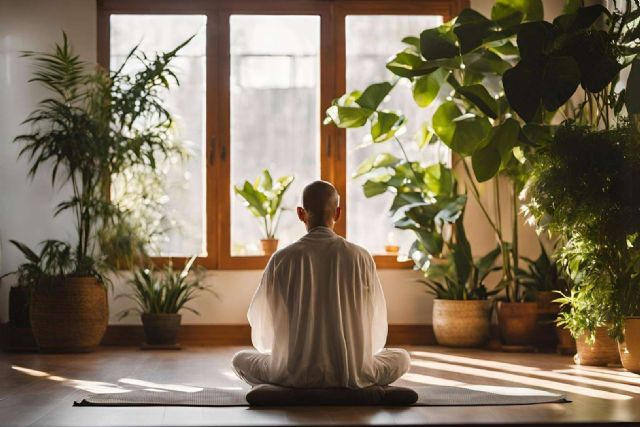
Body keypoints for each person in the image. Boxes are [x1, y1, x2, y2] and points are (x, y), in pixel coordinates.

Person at [232, 180, 410, 389]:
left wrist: (284, 351)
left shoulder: (281, 259)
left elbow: (261, 326)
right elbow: (376, 324)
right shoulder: (361, 257)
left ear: (300, 213)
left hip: (291, 373)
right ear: (338, 213)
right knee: (402, 357)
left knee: (239, 359)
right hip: (351, 372)